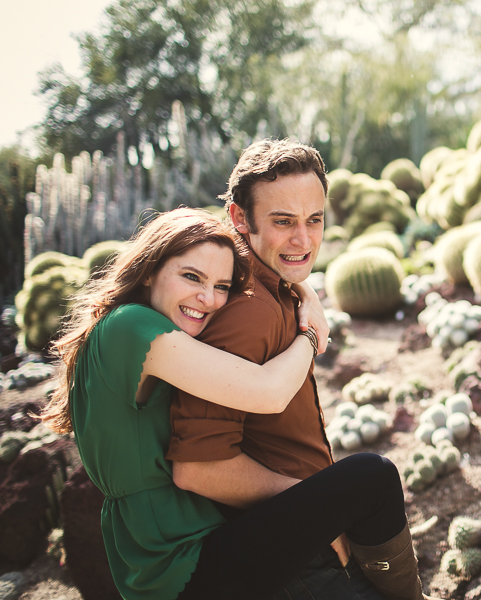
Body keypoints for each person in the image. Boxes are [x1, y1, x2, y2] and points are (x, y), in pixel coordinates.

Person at [41, 208, 418, 600]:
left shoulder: (120, 330)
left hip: (171, 546)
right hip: (182, 558)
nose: (208, 299)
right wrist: (310, 334)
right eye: (191, 277)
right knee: (371, 477)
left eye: (222, 285)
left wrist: (304, 292)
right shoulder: (132, 327)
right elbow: (269, 391)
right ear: (150, 269)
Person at [166, 140, 438, 600]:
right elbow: (197, 469)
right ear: (239, 218)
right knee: (374, 482)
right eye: (283, 221)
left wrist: (306, 293)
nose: (304, 240)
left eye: (314, 220)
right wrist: (320, 510)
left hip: (309, 542)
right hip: (299, 567)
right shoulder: (247, 313)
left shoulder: (272, 286)